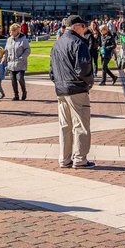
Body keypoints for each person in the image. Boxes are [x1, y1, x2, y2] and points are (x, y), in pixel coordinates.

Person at [49, 15, 95, 169]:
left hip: (61, 89)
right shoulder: (79, 43)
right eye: (83, 26)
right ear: (76, 27)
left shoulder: (57, 44)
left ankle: (64, 159)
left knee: (65, 126)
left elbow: (52, 71)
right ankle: (80, 159)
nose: (85, 29)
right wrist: (89, 82)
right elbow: (83, 68)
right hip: (76, 88)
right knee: (80, 125)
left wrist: (58, 83)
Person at [5, 23, 30, 100]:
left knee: (20, 78)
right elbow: (6, 51)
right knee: (13, 80)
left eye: (12, 31)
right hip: (11, 63)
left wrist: (22, 57)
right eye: (10, 31)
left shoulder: (23, 39)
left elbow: (27, 50)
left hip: (20, 63)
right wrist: (4, 58)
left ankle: (24, 91)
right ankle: (16, 95)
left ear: (16, 31)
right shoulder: (9, 40)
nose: (10, 32)